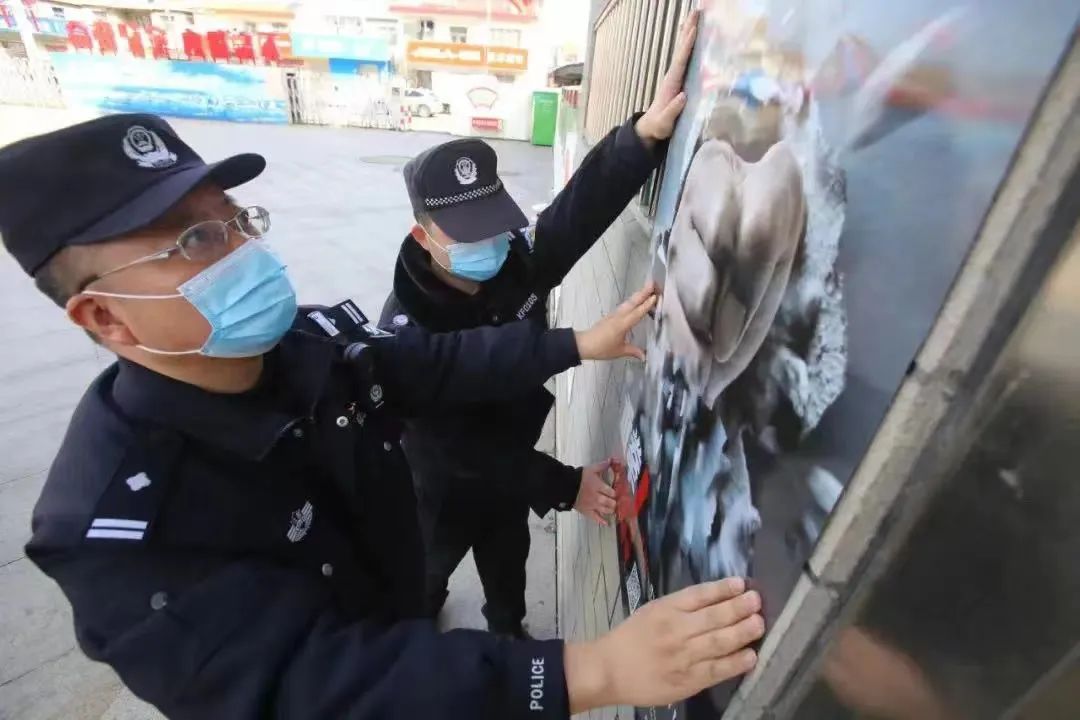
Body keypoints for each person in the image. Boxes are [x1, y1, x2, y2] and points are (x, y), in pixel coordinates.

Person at [0, 111, 765, 719]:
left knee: (480, 589)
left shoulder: (307, 342)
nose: (240, 252)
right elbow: (326, 685)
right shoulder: (117, 536)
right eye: (195, 239)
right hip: (426, 550)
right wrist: (588, 671)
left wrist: (573, 342)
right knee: (429, 605)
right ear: (106, 319)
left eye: (235, 220)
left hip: (408, 571)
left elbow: (431, 368)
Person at [379, 11, 700, 640]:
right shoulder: (405, 333)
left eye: (496, 221)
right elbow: (452, 447)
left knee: (508, 561)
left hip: (510, 469)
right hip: (440, 487)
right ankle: (421, 625)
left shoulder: (511, 263)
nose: (494, 242)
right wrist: (561, 483)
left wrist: (641, 135)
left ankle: (509, 632)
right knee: (426, 574)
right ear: (424, 235)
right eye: (469, 233)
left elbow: (573, 217)